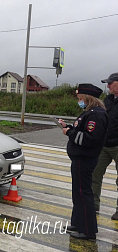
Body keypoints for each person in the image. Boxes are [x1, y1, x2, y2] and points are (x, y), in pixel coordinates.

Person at [59, 83, 108, 240]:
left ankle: (87, 230)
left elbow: (89, 139)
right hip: (80, 158)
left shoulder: (96, 115)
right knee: (78, 193)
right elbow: (80, 131)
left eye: (80, 98)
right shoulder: (89, 113)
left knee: (84, 194)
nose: (79, 100)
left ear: (87, 98)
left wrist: (69, 133)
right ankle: (78, 223)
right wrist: (68, 127)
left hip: (85, 159)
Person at [92, 72, 118, 221]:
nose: (108, 86)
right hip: (104, 145)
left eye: (110, 83)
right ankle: (93, 205)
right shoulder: (107, 100)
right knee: (95, 174)